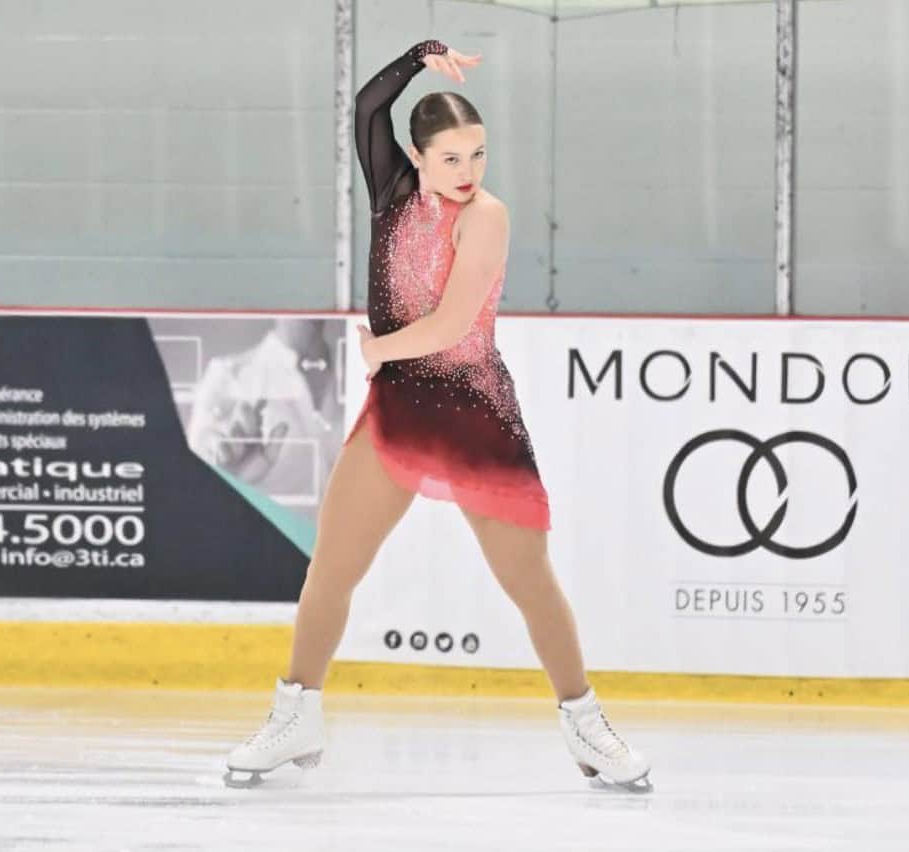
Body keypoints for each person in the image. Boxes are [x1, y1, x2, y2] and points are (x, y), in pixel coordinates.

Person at [223, 39, 651, 792]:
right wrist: (420, 55)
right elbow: (365, 107)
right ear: (416, 158)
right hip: (397, 416)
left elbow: (455, 326)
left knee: (529, 579)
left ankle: (588, 725)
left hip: (473, 416)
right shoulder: (391, 196)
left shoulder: (486, 218)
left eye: (478, 155)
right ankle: (296, 715)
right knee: (331, 568)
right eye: (451, 158)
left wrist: (379, 346)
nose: (468, 172)